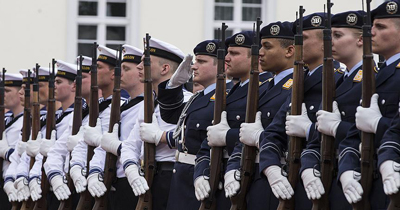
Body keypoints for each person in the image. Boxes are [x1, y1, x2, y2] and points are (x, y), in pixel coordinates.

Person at [257, 13, 344, 210]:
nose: (297, 46)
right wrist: (271, 168)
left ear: (326, 43)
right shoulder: (301, 81)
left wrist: (309, 130)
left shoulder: (338, 79)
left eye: (303, 39)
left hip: (325, 179)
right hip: (292, 179)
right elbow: (273, 133)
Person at [194, 31, 272, 209]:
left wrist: (227, 136)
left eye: (234, 54)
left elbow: (266, 135)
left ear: (256, 57)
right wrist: (201, 173)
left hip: (247, 177)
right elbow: (209, 141)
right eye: (227, 53)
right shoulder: (230, 91)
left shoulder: (266, 89)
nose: (227, 59)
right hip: (220, 178)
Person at [225, 21, 295, 210]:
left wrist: (258, 138)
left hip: (282, 175)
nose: (260, 53)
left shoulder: (299, 84)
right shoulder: (264, 87)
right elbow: (245, 134)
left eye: (267, 47)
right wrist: (232, 168)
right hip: (254, 176)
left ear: (289, 51)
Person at [300, 10, 366, 209]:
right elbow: (316, 139)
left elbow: (369, 134)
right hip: (330, 177)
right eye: (330, 36)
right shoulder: (337, 81)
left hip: (358, 175)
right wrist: (308, 167)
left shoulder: (371, 79)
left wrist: (337, 128)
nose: (331, 42)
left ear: (361, 40)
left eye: (337, 36)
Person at [340, 1, 400, 208]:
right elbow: (354, 135)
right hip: (371, 181)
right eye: (372, 27)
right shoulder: (377, 75)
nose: (371, 33)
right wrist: (346, 169)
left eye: (380, 27)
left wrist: (377, 124)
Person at [120, 37, 192, 210]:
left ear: (165, 68)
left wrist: (160, 137)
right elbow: (131, 143)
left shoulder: (187, 102)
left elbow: (190, 141)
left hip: (172, 176)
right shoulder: (148, 103)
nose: (139, 66)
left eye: (145, 62)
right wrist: (130, 168)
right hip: (148, 176)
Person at [156, 39, 219, 209]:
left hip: (202, 177)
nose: (193, 66)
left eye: (202, 61)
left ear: (221, 66)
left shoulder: (225, 98)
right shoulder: (199, 98)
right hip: (183, 178)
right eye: (195, 61)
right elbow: (171, 115)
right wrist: (174, 86)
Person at [96, 44, 145, 209]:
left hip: (134, 181)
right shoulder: (122, 107)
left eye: (125, 68)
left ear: (141, 72)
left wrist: (116, 147)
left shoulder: (147, 106)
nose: (119, 73)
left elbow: (144, 150)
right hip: (115, 181)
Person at [0, 73, 24, 206]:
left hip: (15, 184)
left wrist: (6, 152)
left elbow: (24, 156)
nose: (3, 94)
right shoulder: (8, 120)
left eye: (8, 91)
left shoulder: (24, 122)